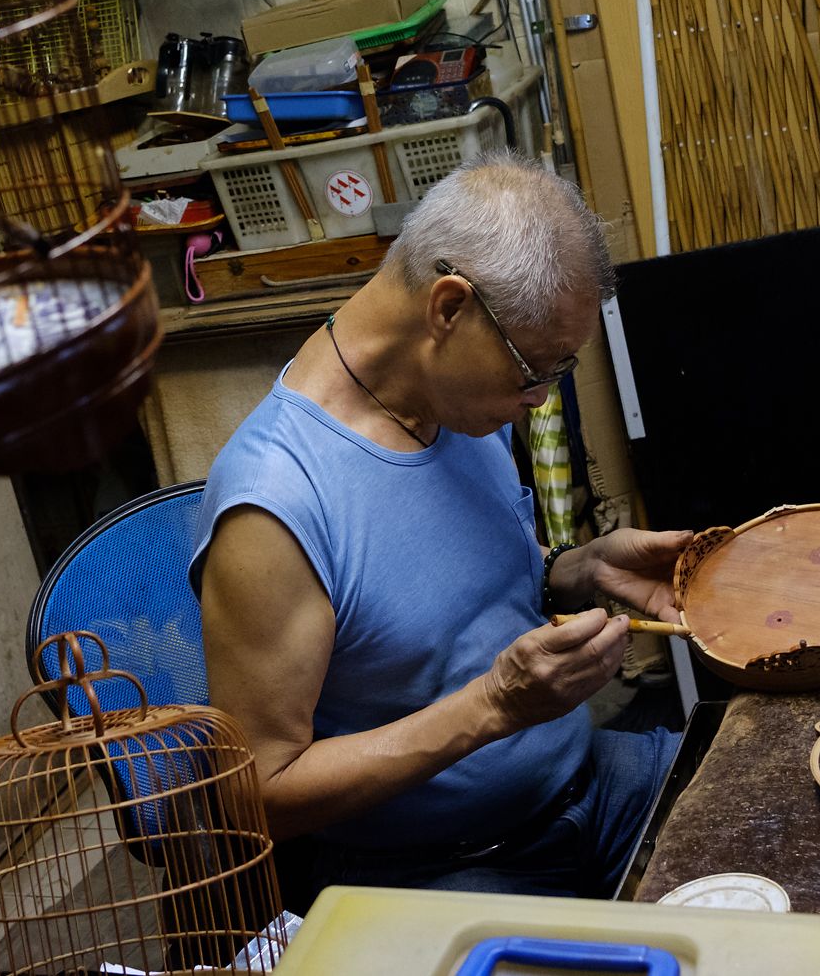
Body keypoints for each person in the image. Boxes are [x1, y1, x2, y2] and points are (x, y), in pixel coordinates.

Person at [192, 149, 691, 901]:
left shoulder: (457, 404)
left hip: (583, 782)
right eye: (537, 370)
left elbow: (439, 595)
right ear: (449, 308)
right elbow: (254, 795)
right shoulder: (277, 505)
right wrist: (495, 705)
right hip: (440, 864)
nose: (542, 399)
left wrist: (576, 568)